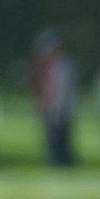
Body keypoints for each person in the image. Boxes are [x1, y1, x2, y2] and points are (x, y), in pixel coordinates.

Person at [30, 31, 79, 168]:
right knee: (52, 137)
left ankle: (62, 163)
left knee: (60, 137)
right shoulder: (52, 67)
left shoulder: (64, 66)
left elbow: (63, 90)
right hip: (52, 106)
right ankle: (56, 162)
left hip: (61, 107)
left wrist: (57, 107)